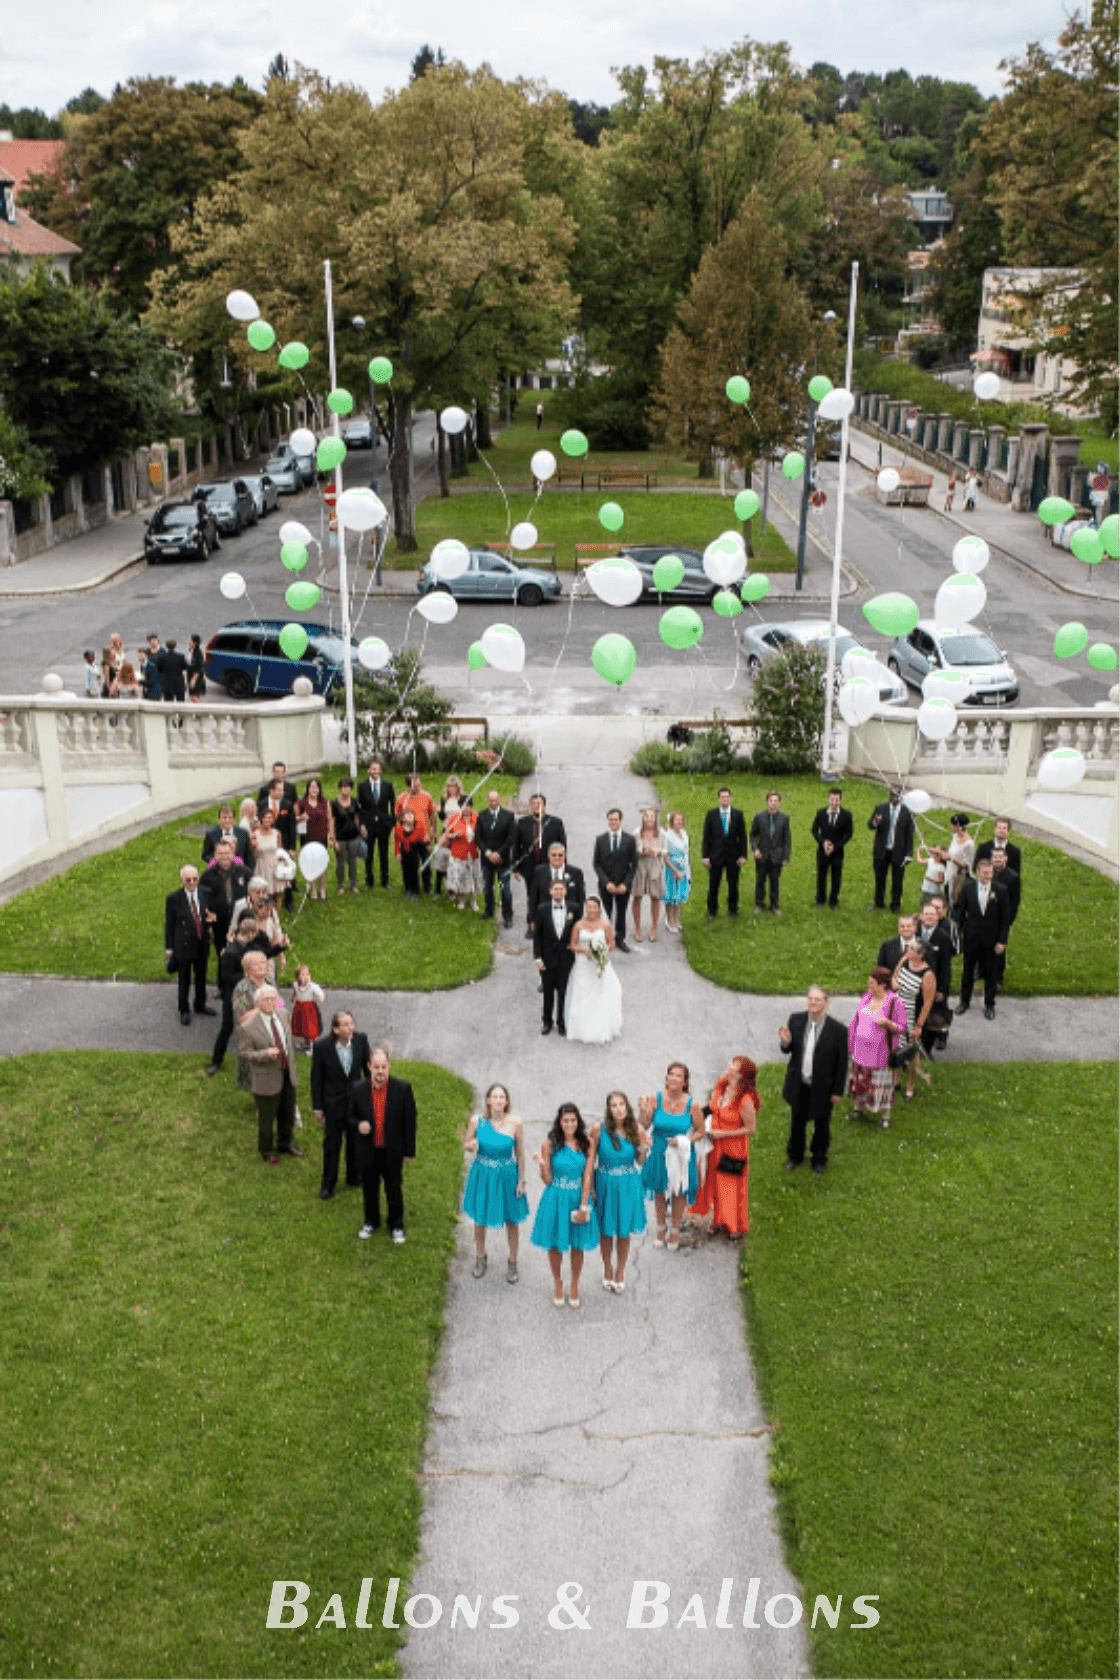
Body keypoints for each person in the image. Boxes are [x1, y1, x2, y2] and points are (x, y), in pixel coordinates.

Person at [530, 1102, 598, 1308]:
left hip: (578, 1197)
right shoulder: (549, 1144)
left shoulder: (587, 1142)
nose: (569, 1124)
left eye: (573, 1120)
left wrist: (584, 1206)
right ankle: (558, 1283)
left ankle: (574, 1284)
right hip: (555, 1198)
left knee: (578, 1244)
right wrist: (542, 1166)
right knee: (554, 1244)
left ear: (578, 1121)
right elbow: (548, 1180)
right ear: (559, 1122)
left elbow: (588, 1176)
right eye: (565, 1120)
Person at [349, 1046, 417, 1244]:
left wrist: (409, 1151)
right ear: (369, 1066)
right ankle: (371, 1221)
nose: (380, 1071)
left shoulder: (402, 1089)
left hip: (392, 1150)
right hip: (368, 1149)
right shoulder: (358, 1089)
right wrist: (358, 1124)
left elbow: (410, 1121)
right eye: (376, 1067)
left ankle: (396, 1224)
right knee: (369, 1188)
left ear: (389, 1066)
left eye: (384, 1067)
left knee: (393, 1188)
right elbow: (349, 1116)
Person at [462, 1083, 528, 1282]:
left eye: (502, 1097)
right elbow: (467, 1143)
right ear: (488, 1100)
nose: (498, 1100)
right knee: (480, 1218)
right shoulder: (477, 1121)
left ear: (506, 1102)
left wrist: (521, 1181)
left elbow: (520, 1154)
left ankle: (513, 1262)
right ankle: (480, 1258)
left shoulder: (515, 1123)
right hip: (483, 1174)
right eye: (495, 1096)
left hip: (507, 1175)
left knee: (512, 1220)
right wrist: (470, 1145)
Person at [779, 986, 849, 1174]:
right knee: (797, 1122)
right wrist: (785, 1041)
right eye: (810, 999)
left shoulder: (839, 1031)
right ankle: (795, 1156)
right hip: (800, 1082)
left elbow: (842, 1064)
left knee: (822, 1125)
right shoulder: (796, 1020)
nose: (813, 1003)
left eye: (818, 999)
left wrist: (837, 1090)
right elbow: (788, 1050)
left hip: (823, 1086)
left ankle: (818, 1159)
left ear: (826, 1002)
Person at [692, 1056, 760, 1238]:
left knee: (730, 1186)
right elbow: (713, 1107)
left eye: (733, 1066)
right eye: (730, 1063)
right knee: (715, 1182)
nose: (729, 1065)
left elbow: (750, 1129)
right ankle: (718, 1220)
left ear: (741, 1074)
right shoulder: (722, 1084)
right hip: (715, 1145)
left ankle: (734, 1225)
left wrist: (723, 1133)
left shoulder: (745, 1099)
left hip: (733, 1147)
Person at [639, 1061, 705, 1251]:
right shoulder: (656, 1098)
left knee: (679, 1191)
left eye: (679, 1076)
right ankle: (660, 1228)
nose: (674, 1078)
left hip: (681, 1154)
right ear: (666, 1077)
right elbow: (643, 1125)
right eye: (672, 1074)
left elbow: (701, 1131)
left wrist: (685, 1141)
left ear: (685, 1082)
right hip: (659, 1150)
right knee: (659, 1190)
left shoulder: (692, 1105)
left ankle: (674, 1230)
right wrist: (644, 1111)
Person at [237, 984, 303, 1164]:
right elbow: (244, 1053)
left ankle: (285, 1144)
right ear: (257, 1003)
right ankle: (266, 1151)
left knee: (287, 1113)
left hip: (287, 1073)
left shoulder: (283, 1014)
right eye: (266, 1000)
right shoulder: (248, 1027)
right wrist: (264, 1054)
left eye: (273, 999)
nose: (271, 1003)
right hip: (266, 1079)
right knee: (267, 1119)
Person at [590, 1091, 648, 1292]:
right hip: (604, 1183)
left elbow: (640, 1160)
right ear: (609, 1110)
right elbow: (590, 1160)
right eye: (614, 1105)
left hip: (628, 1184)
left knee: (624, 1232)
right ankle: (607, 1267)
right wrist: (589, 1188)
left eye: (621, 1104)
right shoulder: (598, 1129)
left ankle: (620, 1270)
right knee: (606, 1231)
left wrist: (644, 1148)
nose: (618, 1109)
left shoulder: (636, 1129)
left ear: (627, 1106)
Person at [311, 1011, 370, 1198]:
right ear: (335, 1029)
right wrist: (318, 1107)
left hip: (355, 1105)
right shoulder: (322, 1047)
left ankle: (353, 1177)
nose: (350, 1027)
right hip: (333, 1105)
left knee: (354, 1142)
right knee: (332, 1145)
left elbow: (367, 1071)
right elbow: (317, 1079)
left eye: (351, 1023)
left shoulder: (361, 1041)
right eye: (345, 1024)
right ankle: (328, 1183)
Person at [847, 967, 907, 1128]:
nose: (869, 985)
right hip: (860, 1051)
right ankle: (858, 1107)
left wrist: (888, 1023)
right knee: (860, 1081)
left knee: (881, 1085)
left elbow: (902, 1028)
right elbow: (855, 1021)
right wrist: (850, 1043)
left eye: (872, 982)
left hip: (880, 1054)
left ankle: (885, 1116)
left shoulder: (895, 1002)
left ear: (883, 985)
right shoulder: (866, 997)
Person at [955, 857, 1009, 1020]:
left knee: (991, 972)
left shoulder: (1001, 890)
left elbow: (1005, 919)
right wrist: (959, 933)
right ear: (977, 872)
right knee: (968, 970)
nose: (988, 876)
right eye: (985, 873)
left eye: (990, 873)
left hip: (991, 939)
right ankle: (964, 1002)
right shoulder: (968, 888)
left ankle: (990, 1004)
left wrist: (1002, 941)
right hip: (972, 937)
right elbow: (960, 912)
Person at [565, 896, 623, 1045]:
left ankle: (601, 1027)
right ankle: (581, 1028)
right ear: (585, 907)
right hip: (583, 963)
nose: (591, 909)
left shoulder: (605, 924)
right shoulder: (578, 925)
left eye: (594, 907)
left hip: (600, 963)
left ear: (599, 908)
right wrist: (585, 950)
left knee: (601, 992)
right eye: (589, 906)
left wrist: (602, 950)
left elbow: (611, 944)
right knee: (582, 993)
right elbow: (573, 945)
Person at [164, 864, 216, 1026]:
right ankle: (184, 1009)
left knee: (201, 976)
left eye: (195, 879)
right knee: (184, 979)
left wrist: (212, 920)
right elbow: (170, 925)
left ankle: (200, 1005)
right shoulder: (174, 898)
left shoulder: (206, 893)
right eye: (188, 880)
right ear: (182, 880)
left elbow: (210, 914)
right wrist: (169, 949)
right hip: (184, 945)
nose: (192, 882)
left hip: (201, 942)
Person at [891, 939, 936, 1100]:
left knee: (911, 1054)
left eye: (912, 949)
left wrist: (919, 1025)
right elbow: (894, 977)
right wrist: (895, 984)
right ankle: (896, 1080)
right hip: (895, 1012)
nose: (908, 950)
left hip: (911, 1016)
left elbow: (927, 1002)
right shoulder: (905, 960)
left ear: (920, 955)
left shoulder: (927, 975)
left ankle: (911, 1087)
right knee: (895, 1047)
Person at [534, 878, 578, 1036]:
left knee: (563, 992)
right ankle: (547, 1022)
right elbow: (537, 936)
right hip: (547, 958)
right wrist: (538, 958)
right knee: (547, 993)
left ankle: (562, 1023)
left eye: (561, 889)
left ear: (566, 891)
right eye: (555, 889)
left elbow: (577, 931)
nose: (558, 892)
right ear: (550, 891)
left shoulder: (574, 908)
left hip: (566, 958)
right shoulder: (542, 909)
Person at [515, 794, 567, 929]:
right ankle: (532, 924)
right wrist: (516, 867)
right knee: (532, 896)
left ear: (544, 806)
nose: (536, 806)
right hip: (529, 867)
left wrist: (563, 866)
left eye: (539, 803)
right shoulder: (522, 823)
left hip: (549, 866)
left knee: (549, 894)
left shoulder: (556, 823)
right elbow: (516, 846)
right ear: (530, 806)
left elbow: (563, 846)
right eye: (533, 803)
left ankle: (548, 924)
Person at [592, 808, 637, 951]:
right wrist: (606, 882)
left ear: (621, 821)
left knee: (621, 912)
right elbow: (596, 864)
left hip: (623, 885)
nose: (613, 822)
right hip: (606, 885)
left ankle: (620, 939)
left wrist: (626, 884)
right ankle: (606, 938)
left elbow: (634, 865)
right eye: (610, 820)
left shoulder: (630, 840)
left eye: (615, 819)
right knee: (606, 912)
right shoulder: (600, 840)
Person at [701, 787, 748, 920]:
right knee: (713, 884)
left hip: (733, 856)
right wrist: (705, 856)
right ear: (719, 799)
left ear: (731, 798)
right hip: (715, 855)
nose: (725, 799)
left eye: (727, 797)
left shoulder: (738, 814)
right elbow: (706, 837)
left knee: (733, 884)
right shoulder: (711, 814)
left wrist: (743, 855)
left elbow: (742, 837)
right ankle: (712, 911)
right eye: (722, 797)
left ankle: (733, 910)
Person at [200, 838, 252, 953]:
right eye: (220, 853)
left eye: (227, 853)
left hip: (242, 920)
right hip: (219, 923)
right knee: (223, 954)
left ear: (233, 854)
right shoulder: (206, 876)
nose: (224, 856)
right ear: (215, 855)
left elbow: (254, 892)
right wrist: (207, 915)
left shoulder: (244, 872)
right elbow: (201, 899)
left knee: (243, 953)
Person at [868, 787, 914, 912]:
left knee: (897, 880)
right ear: (889, 795)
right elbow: (870, 825)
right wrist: (876, 822)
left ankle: (895, 904)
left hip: (898, 851)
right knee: (880, 878)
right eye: (892, 795)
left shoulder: (907, 812)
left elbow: (909, 834)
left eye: (897, 796)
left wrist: (908, 854)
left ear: (901, 797)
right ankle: (878, 902)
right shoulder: (881, 808)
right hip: (882, 851)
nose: (894, 798)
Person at [476, 788, 517, 926]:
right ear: (487, 800)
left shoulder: (508, 816)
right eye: (491, 800)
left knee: (505, 889)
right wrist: (488, 853)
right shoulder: (481, 816)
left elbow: (511, 838)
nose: (493, 802)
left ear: (499, 800)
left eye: (495, 800)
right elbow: (478, 837)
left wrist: (499, 853)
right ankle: (489, 911)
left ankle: (508, 916)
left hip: (502, 859)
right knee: (487, 887)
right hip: (487, 860)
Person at [356, 759, 396, 890]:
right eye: (373, 769)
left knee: (384, 853)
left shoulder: (388, 785)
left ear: (380, 770)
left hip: (384, 825)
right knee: (369, 853)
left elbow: (393, 804)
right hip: (369, 825)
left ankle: (385, 880)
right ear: (369, 770)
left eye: (377, 769)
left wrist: (392, 822)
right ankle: (369, 880)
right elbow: (360, 808)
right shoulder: (362, 786)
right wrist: (362, 824)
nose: (375, 771)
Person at [750, 789, 791, 914]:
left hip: (777, 856)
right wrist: (755, 849)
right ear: (767, 802)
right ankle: (759, 904)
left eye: (775, 801)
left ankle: (774, 905)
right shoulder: (759, 817)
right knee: (760, 881)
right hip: (762, 855)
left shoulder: (784, 818)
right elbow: (752, 835)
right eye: (771, 800)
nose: (773, 803)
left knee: (774, 881)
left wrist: (786, 857)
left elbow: (787, 839)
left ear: (779, 803)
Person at [395, 772, 438, 893]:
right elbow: (397, 817)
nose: (418, 788)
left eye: (419, 785)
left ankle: (427, 886)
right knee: (410, 864)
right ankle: (411, 886)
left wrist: (433, 832)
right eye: (415, 786)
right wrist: (403, 809)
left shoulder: (427, 796)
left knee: (426, 862)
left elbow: (432, 815)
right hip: (409, 837)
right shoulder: (401, 798)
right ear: (408, 786)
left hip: (424, 836)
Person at [811, 789, 853, 909]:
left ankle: (833, 900)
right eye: (832, 799)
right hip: (822, 850)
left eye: (837, 800)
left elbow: (848, 834)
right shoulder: (821, 813)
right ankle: (820, 899)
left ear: (840, 800)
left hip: (837, 851)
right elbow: (814, 830)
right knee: (821, 875)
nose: (834, 802)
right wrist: (823, 842)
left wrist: (836, 846)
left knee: (836, 876)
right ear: (828, 799)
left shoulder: (846, 815)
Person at [529, 841, 585, 930]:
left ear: (565, 856)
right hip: (545, 918)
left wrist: (579, 919)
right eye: (554, 855)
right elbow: (533, 897)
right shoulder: (539, 872)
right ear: (548, 856)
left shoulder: (576, 873)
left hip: (569, 918)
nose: (557, 857)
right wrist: (532, 920)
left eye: (560, 855)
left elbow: (581, 897)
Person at [631, 807, 667, 941]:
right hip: (640, 867)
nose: (649, 819)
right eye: (647, 816)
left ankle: (654, 927)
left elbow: (666, 850)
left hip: (655, 866)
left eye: (652, 816)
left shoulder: (661, 833)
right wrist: (642, 851)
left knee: (655, 897)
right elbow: (631, 850)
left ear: (655, 818)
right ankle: (637, 927)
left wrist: (658, 851)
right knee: (637, 896)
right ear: (643, 818)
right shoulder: (636, 833)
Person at [295, 778, 334, 901]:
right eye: (311, 787)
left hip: (321, 837)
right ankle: (312, 889)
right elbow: (294, 819)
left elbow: (330, 820)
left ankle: (322, 889)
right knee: (310, 863)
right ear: (307, 789)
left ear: (319, 789)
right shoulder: (301, 803)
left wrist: (332, 837)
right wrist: (300, 818)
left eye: (316, 787)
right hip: (307, 837)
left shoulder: (325, 802)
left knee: (322, 863)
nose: (314, 789)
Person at [990, 849, 1021, 992]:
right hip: (986, 917)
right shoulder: (987, 872)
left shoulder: (1012, 877)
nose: (997, 859)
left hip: (1002, 918)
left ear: (1005, 859)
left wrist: (1008, 921)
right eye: (995, 857)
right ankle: (982, 971)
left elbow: (1014, 901)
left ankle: (998, 978)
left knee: (999, 948)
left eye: (1000, 857)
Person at [441, 798, 477, 910]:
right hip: (458, 853)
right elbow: (446, 834)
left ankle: (473, 900)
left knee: (473, 878)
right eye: (463, 806)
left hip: (472, 853)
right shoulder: (454, 818)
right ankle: (462, 899)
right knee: (462, 877)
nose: (466, 809)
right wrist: (454, 835)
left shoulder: (477, 817)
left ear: (471, 807)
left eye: (468, 806)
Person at [331, 778, 365, 894]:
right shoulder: (334, 803)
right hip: (340, 837)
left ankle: (353, 884)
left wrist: (361, 828)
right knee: (340, 862)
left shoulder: (355, 802)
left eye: (348, 787)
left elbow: (359, 816)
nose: (346, 789)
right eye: (344, 786)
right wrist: (333, 838)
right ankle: (341, 886)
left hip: (353, 836)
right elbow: (331, 821)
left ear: (351, 789)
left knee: (352, 861)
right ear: (340, 788)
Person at [661, 810, 691, 933]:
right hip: (671, 870)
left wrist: (688, 868)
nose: (680, 822)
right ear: (672, 822)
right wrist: (675, 871)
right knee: (670, 896)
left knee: (678, 897)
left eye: (681, 820)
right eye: (677, 820)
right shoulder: (667, 836)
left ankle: (676, 920)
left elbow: (686, 852)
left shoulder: (684, 834)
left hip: (683, 868)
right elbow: (665, 857)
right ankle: (670, 921)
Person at [289, 963, 325, 1052]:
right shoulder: (296, 985)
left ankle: (314, 1047)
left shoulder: (313, 986)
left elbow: (321, 996)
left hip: (309, 1010)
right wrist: (293, 1000)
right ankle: (306, 1043)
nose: (306, 976)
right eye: (303, 974)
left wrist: (319, 997)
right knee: (302, 1027)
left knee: (310, 1028)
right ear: (298, 977)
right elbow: (295, 994)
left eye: (307, 974)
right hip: (299, 1008)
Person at [394, 806, 425, 899]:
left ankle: (415, 890)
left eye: (411, 815)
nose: (410, 816)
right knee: (405, 870)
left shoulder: (418, 826)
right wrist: (397, 853)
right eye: (407, 815)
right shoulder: (398, 828)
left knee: (414, 871)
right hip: (404, 851)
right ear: (403, 818)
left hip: (414, 850)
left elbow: (420, 838)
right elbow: (396, 842)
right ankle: (408, 889)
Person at [156, 638, 187, 704]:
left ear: (166, 646)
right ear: (175, 646)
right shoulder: (180, 656)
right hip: (178, 683)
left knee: (168, 703)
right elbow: (185, 667)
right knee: (181, 703)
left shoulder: (161, 657)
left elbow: (159, 669)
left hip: (167, 683)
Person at [100, 632, 124, 697]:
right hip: (110, 689)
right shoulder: (107, 665)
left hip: (116, 688)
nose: (114, 652)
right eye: (112, 650)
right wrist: (111, 691)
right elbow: (107, 680)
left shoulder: (115, 662)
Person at [186, 633, 206, 702]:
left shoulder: (198, 653)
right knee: (193, 696)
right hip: (191, 675)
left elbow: (199, 667)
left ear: (194, 642)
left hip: (196, 677)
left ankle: (199, 708)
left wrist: (193, 679)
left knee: (195, 696)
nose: (189, 641)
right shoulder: (191, 650)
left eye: (190, 640)